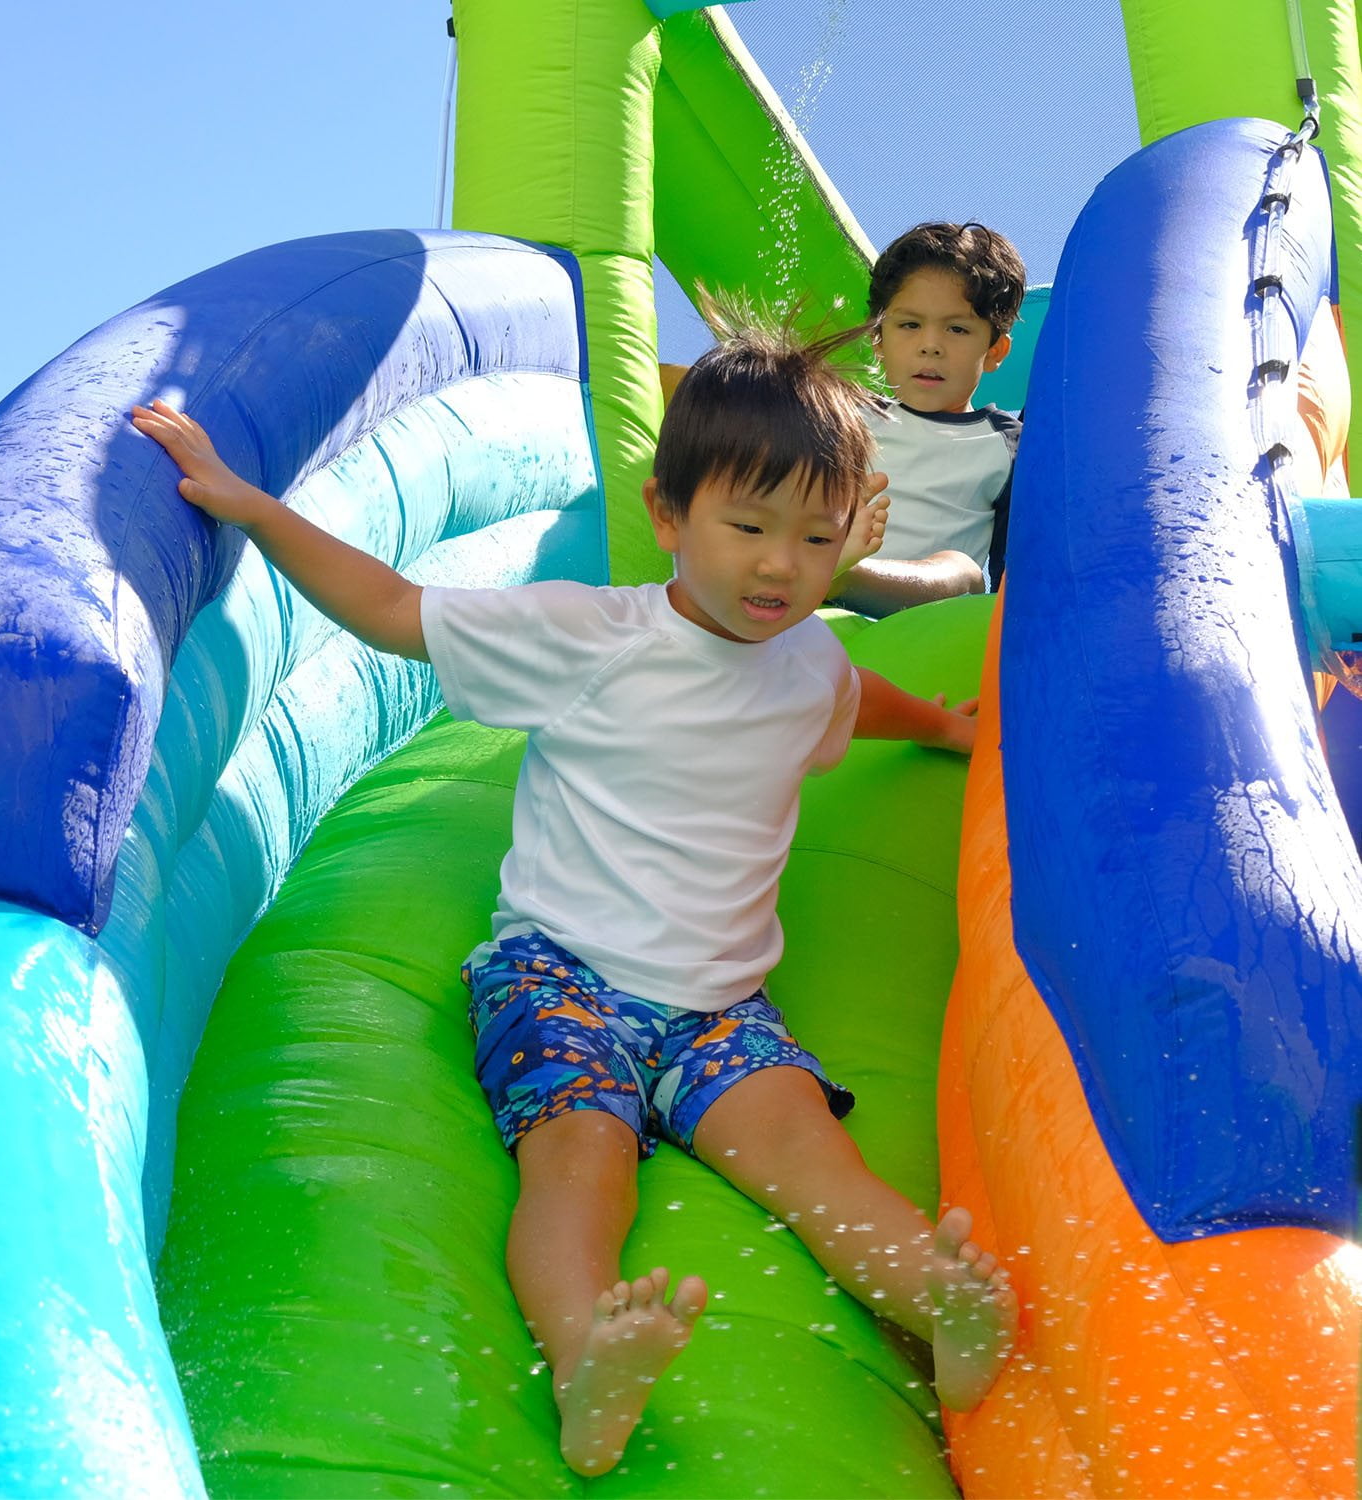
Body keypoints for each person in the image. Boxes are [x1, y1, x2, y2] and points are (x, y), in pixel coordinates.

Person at [129, 308, 1017, 1478]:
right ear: (669, 513)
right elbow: (396, 613)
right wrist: (252, 508)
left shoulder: (812, 665)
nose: (777, 566)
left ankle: (936, 1298)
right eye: (747, 525)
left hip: (720, 1009)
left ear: (851, 537)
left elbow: (856, 699)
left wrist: (944, 726)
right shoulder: (595, 638)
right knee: (579, 1154)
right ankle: (587, 1349)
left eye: (814, 538)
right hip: (564, 975)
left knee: (813, 1159)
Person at [829, 221, 1026, 617]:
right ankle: (827, 568)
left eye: (956, 328)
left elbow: (1017, 569)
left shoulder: (1009, 444)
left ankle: (840, 576)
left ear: (994, 351)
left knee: (964, 570)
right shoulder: (841, 412)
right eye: (910, 325)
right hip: (821, 594)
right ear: (878, 338)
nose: (930, 346)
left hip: (926, 618)